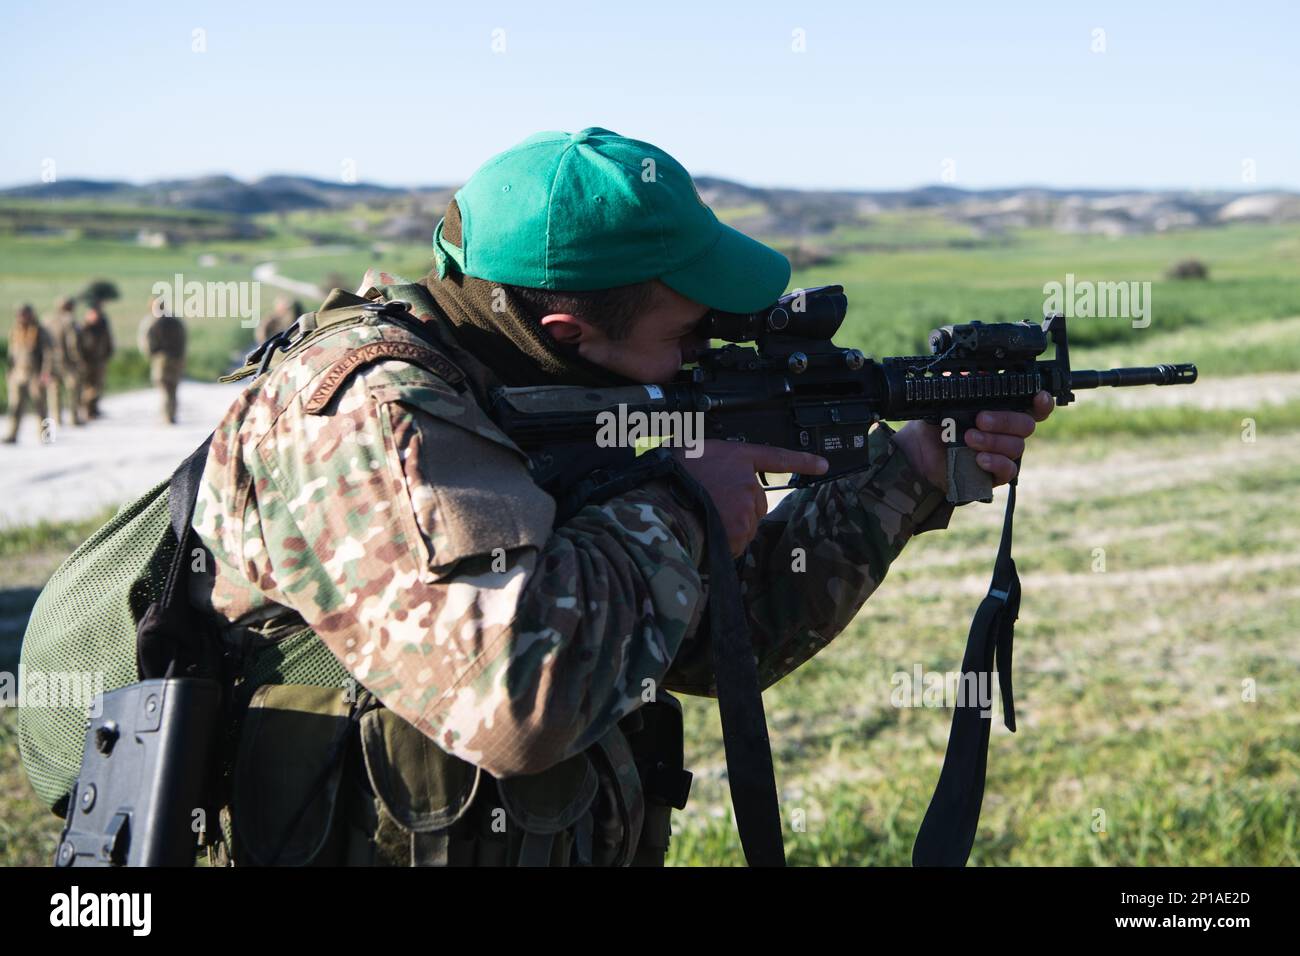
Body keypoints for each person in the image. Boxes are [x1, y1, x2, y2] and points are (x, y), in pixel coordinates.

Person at [189, 128, 1052, 866]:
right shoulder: (366, 413)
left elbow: (715, 639)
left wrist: (908, 470)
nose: (709, 351)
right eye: (687, 333)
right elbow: (518, 701)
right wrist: (681, 501)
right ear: (571, 333)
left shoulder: (527, 386)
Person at [4, 304, 53, 444]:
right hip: (18, 374)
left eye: (24, 314)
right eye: (20, 314)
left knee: (41, 406)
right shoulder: (15, 330)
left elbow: (48, 354)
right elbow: (11, 354)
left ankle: (46, 436)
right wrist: (10, 372)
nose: (22, 317)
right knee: (15, 406)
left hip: (35, 374)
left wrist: (45, 373)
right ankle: (12, 434)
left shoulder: (40, 331)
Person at [138, 297, 187, 424]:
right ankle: (171, 414)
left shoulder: (151, 322)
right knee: (172, 388)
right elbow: (183, 339)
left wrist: (151, 355)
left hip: (161, 360)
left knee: (165, 388)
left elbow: (145, 342)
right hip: (176, 358)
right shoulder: (176, 321)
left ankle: (167, 415)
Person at [46, 296, 84, 427]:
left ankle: (57, 418)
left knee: (54, 389)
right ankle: (74, 417)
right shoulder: (71, 321)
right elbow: (72, 343)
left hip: (50, 360)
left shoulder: (47, 320)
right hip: (67, 361)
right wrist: (78, 360)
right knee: (73, 388)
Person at [77, 304, 114, 420]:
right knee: (88, 387)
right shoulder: (82, 328)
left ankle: (93, 409)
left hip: (99, 360)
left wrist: (108, 354)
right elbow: (76, 345)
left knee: (98, 386)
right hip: (86, 362)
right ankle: (87, 410)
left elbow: (108, 341)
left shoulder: (102, 326)